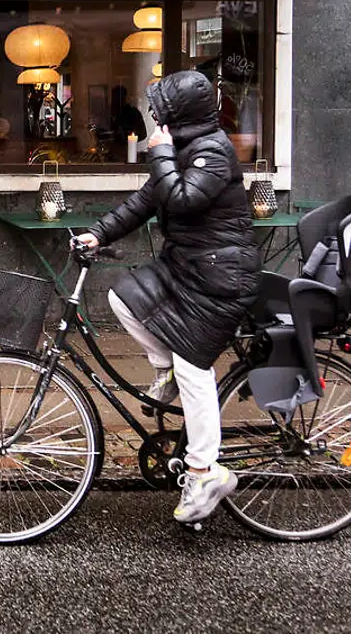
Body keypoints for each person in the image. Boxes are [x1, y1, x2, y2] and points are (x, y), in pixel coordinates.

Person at [74, 70, 260, 524]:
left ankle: (204, 472)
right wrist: (97, 234)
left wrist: (159, 152)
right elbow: (144, 202)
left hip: (221, 279)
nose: (154, 121)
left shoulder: (213, 151)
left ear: (179, 116)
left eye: (160, 114)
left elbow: (180, 200)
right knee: (124, 297)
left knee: (194, 366)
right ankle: (166, 368)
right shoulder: (182, 149)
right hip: (189, 269)